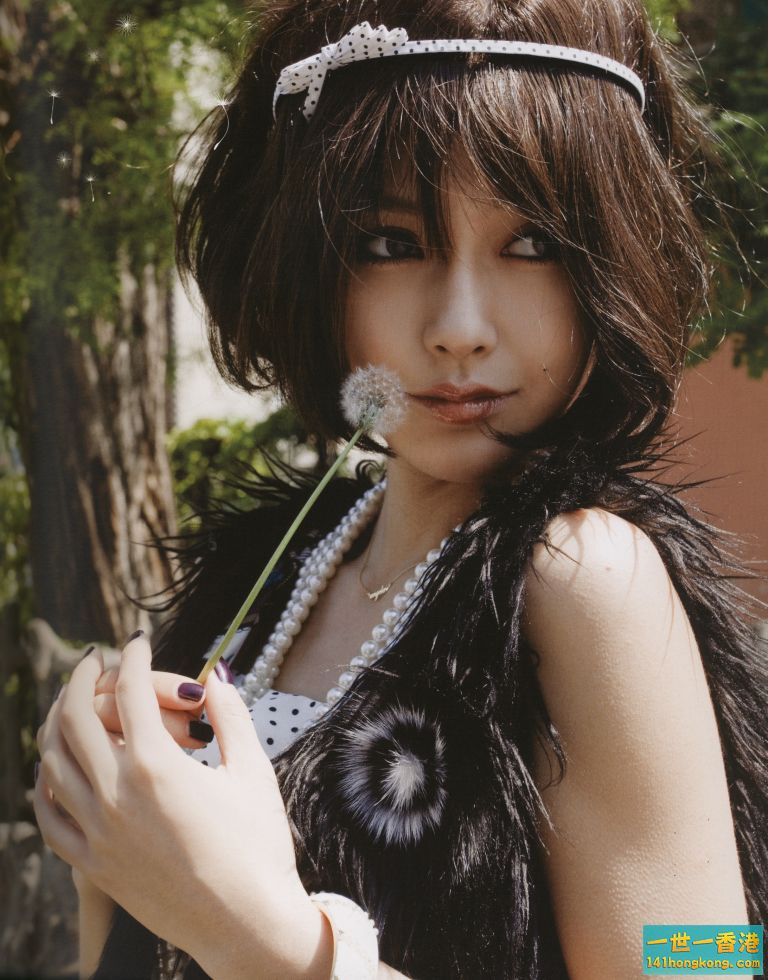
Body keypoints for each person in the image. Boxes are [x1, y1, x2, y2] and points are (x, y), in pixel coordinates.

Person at [33, 1, 768, 978]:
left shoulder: (583, 577)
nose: (460, 327)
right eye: (391, 243)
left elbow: (707, 967)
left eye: (534, 243)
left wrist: (269, 943)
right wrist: (112, 830)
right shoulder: (266, 576)